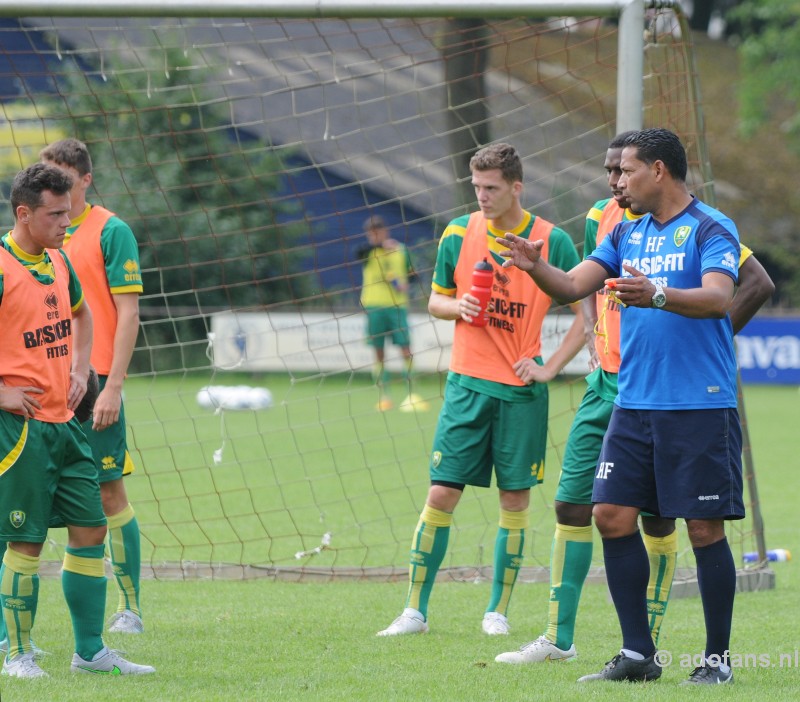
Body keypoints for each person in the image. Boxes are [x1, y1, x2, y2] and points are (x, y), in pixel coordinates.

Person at [498, 128, 766, 685]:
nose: (617, 182)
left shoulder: (711, 228)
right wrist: (532, 266)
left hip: (697, 404)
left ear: (660, 171)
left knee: (703, 531)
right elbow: (572, 285)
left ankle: (717, 660)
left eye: (626, 171)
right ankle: (638, 655)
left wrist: (660, 295)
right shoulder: (625, 232)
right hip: (634, 400)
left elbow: (721, 295)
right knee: (611, 515)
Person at [377, 142, 586, 637]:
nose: (483, 196)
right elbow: (435, 301)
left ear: (516, 187)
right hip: (467, 384)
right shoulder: (459, 232)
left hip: (519, 391)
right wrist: (460, 308)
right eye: (477, 187)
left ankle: (498, 611)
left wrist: (551, 367)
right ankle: (414, 611)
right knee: (442, 491)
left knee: (514, 501)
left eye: (491, 188)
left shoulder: (552, 240)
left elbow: (586, 312)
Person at [0, 163, 154, 678]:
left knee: (90, 528)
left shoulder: (59, 262)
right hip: (20, 431)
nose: (67, 222)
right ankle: (17, 655)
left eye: (68, 212)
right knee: (24, 540)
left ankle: (90, 652)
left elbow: (84, 315)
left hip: (66, 423)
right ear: (24, 214)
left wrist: (81, 368)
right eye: (56, 214)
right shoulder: (1, 266)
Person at [40, 138, 145, 634]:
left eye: (62, 179)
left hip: (95, 387)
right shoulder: (35, 236)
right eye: (47, 179)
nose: (54, 189)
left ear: (85, 180)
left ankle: (130, 607)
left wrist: (114, 387)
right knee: (28, 505)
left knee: (108, 496)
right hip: (43, 390)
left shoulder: (111, 230)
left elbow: (128, 313)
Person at [357, 215, 428, 412]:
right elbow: (359, 252)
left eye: (377, 233)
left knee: (405, 348)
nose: (374, 237)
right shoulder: (367, 252)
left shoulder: (401, 250)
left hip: (397, 307)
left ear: (385, 231)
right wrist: (379, 246)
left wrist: (406, 284)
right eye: (371, 235)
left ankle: (413, 393)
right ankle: (384, 396)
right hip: (373, 307)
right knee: (378, 352)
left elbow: (413, 275)